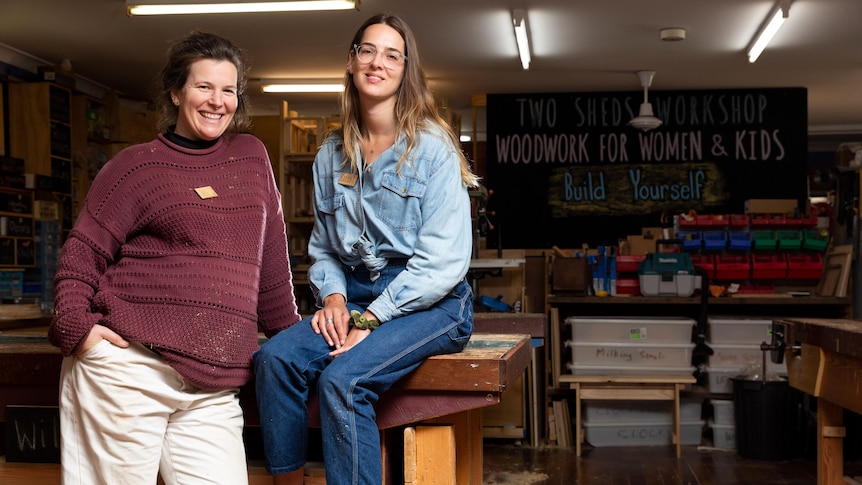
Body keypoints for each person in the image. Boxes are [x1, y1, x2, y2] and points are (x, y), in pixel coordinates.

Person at [48, 31, 301, 485]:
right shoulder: (134, 167)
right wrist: (78, 331)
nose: (217, 101)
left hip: (214, 385)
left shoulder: (251, 156)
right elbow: (80, 258)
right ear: (176, 91)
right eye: (204, 87)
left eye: (228, 90)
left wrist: (296, 345)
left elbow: (272, 268)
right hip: (129, 372)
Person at [253, 12, 479, 485]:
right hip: (354, 295)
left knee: (346, 381)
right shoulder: (331, 154)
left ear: (405, 70)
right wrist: (334, 298)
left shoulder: (432, 149)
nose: (378, 62)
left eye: (391, 54)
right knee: (274, 359)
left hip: (430, 303)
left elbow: (441, 264)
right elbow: (325, 249)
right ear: (352, 63)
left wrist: (369, 319)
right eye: (367, 50)